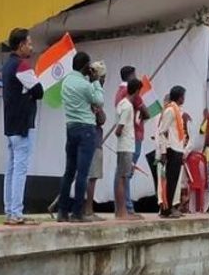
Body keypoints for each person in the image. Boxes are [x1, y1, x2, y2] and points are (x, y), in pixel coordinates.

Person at [1, 28, 43, 226]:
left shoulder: (7, 65)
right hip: (22, 124)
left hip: (10, 123)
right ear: (21, 45)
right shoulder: (22, 66)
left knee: (11, 168)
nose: (31, 47)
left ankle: (9, 210)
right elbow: (39, 91)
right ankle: (17, 212)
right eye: (29, 43)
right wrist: (32, 92)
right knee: (20, 168)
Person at [55, 51, 104, 222]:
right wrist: (96, 81)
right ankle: (77, 212)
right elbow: (99, 100)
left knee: (69, 171)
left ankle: (62, 211)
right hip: (86, 129)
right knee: (82, 173)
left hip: (71, 127)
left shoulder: (66, 82)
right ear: (85, 66)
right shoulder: (85, 85)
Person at [114, 65, 150, 218]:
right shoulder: (131, 96)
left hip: (126, 139)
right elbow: (147, 113)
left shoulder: (118, 93)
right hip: (132, 136)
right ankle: (127, 208)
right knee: (125, 174)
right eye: (134, 75)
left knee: (121, 173)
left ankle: (121, 208)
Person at [157, 85, 188, 218]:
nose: (184, 98)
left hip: (178, 147)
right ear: (179, 97)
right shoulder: (170, 110)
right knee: (170, 181)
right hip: (172, 148)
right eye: (183, 96)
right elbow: (162, 132)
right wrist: (163, 152)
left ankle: (170, 208)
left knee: (174, 181)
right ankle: (167, 209)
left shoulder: (177, 110)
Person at [84, 61, 108, 221]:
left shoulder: (84, 89)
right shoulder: (94, 93)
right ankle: (88, 210)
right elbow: (101, 118)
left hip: (86, 137)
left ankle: (86, 209)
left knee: (87, 175)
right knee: (91, 176)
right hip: (93, 138)